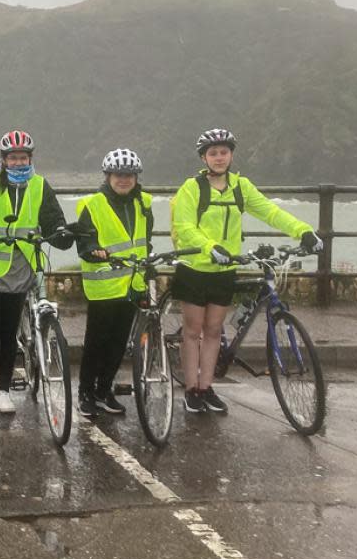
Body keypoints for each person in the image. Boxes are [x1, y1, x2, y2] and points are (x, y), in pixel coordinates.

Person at [170, 128, 322, 414]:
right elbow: (184, 227)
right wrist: (210, 246)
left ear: (231, 155)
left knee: (214, 330)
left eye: (223, 152)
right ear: (204, 157)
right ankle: (191, 390)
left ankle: (206, 387)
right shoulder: (192, 188)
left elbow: (270, 211)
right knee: (193, 332)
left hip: (225, 270)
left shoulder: (241, 187)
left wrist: (303, 231)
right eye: (213, 153)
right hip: (195, 268)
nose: (218, 158)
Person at [0, 130, 74, 413]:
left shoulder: (39, 185)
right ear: (3, 159)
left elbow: (52, 218)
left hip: (22, 268)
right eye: (13, 158)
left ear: (30, 158)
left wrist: (61, 233)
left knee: (10, 331)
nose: (18, 163)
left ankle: (4, 389)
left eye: (23, 157)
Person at [73, 149, 153, 419]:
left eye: (129, 175)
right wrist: (93, 249)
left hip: (133, 284)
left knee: (119, 343)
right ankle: (85, 393)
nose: (124, 180)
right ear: (108, 176)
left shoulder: (143, 204)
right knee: (96, 342)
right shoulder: (93, 205)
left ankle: (104, 390)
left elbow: (146, 241)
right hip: (104, 286)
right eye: (119, 175)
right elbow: (83, 242)